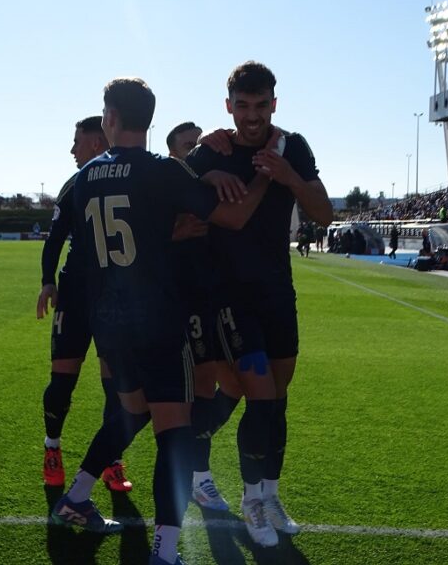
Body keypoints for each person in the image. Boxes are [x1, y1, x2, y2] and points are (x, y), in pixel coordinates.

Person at [50, 77, 272, 565]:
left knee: (129, 413)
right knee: (173, 434)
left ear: (110, 119)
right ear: (148, 120)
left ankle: (76, 498)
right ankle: (165, 551)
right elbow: (231, 219)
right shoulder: (162, 172)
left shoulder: (85, 177)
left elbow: (84, 253)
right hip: (155, 320)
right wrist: (262, 177)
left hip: (109, 323)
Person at [186, 61, 333, 547]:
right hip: (227, 297)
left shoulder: (294, 146)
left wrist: (288, 174)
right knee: (261, 396)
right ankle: (252, 500)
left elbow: (323, 212)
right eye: (242, 106)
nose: (252, 116)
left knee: (277, 400)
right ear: (229, 106)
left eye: (261, 105)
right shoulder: (214, 150)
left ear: (275, 102)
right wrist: (206, 179)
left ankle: (269, 494)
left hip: (276, 291)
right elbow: (172, 200)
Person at [36, 116, 133, 492]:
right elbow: (55, 237)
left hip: (115, 299)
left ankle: (111, 461)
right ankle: (52, 447)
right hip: (76, 295)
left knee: (117, 388)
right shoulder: (75, 184)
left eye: (76, 141)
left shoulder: (129, 177)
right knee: (63, 381)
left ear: (96, 143)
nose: (72, 149)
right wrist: (47, 281)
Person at [168, 121, 242, 512]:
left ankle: (191, 445)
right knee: (200, 385)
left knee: (235, 384)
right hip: (185, 298)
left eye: (199, 144)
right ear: (173, 154)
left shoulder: (209, 187)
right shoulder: (163, 187)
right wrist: (172, 233)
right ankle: (199, 476)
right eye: (188, 146)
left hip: (219, 294)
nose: (196, 150)